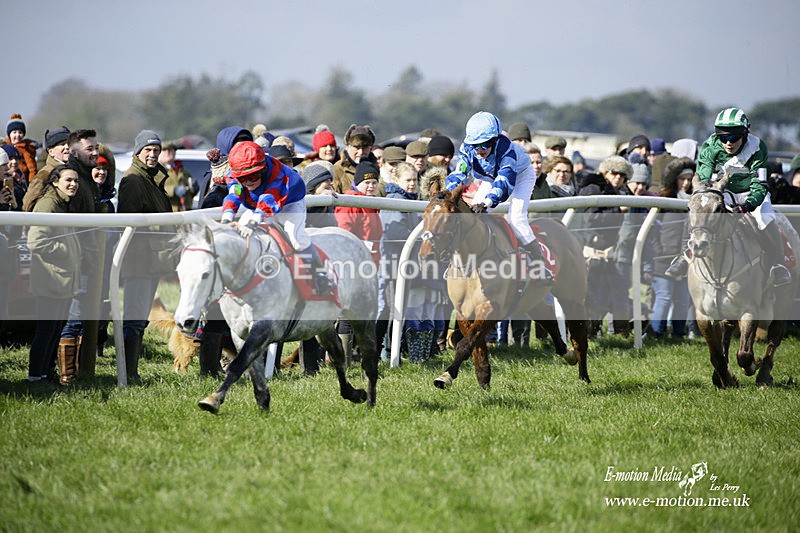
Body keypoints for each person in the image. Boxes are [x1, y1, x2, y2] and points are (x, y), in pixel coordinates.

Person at [665, 107, 791, 287]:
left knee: (765, 216)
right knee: (700, 208)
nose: (728, 143)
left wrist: (748, 205)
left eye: (733, 138)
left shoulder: (758, 147)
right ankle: (685, 256)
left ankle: (778, 265)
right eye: (723, 138)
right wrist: (706, 192)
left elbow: (760, 182)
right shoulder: (711, 145)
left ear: (745, 134)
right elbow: (704, 175)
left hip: (751, 192)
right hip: (723, 192)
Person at [445, 111, 553, 285]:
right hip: (490, 177)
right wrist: (448, 193)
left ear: (495, 140)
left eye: (485, 145)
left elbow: (504, 181)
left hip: (520, 176)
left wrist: (487, 202)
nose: (479, 150)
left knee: (516, 218)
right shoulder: (467, 148)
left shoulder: (506, 149)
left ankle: (540, 266)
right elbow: (460, 173)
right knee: (474, 216)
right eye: (475, 145)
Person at [220, 140, 334, 296]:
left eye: (253, 176)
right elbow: (234, 195)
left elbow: (269, 200)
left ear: (263, 169)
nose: (248, 182)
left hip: (289, 202)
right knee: (237, 234)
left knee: (295, 236)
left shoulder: (277, 175)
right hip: (258, 205)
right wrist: (226, 220)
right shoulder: (235, 178)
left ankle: (320, 274)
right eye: (243, 178)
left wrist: (253, 223)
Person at [118, 130, 178, 382]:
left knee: (139, 317)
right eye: (148, 150)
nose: (153, 154)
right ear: (138, 152)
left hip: (151, 258)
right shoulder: (133, 180)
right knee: (134, 318)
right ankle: (128, 373)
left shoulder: (152, 178)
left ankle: (132, 372)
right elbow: (129, 222)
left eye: (156, 150)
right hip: (138, 259)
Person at [26, 165, 82, 383]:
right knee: (46, 331)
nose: (73, 184)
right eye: (68, 180)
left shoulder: (61, 203)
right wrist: (66, 251)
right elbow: (35, 241)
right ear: (55, 182)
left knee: (55, 330)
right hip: (51, 279)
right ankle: (34, 377)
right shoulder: (48, 204)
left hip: (62, 279)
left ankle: (45, 374)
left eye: (76, 181)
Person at [334, 161, 383, 363]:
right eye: (366, 183)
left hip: (368, 266)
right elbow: (343, 232)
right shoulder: (351, 202)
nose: (371, 186)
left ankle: (359, 356)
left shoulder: (373, 204)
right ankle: (343, 359)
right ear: (356, 183)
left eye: (374, 182)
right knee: (348, 311)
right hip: (351, 266)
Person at [649, 157, 695, 339]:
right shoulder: (664, 200)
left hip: (687, 260)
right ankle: (655, 333)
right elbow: (651, 230)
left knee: (683, 300)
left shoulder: (696, 203)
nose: (686, 183)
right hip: (663, 260)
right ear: (674, 180)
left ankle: (679, 333)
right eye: (682, 179)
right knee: (664, 296)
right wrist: (659, 251)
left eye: (689, 180)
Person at [23, 126, 71, 212]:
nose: (67, 147)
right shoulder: (44, 174)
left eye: (69, 144)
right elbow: (28, 203)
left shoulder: (74, 171)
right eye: (62, 144)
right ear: (50, 151)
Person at [333, 124, 379, 194]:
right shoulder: (337, 170)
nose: (360, 152)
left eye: (365, 148)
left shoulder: (378, 167)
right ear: (347, 147)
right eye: (357, 148)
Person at [159, 142, 196, 211]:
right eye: (164, 150)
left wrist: (194, 189)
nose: (167, 153)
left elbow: (191, 193)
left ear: (174, 152)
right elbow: (156, 190)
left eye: (170, 150)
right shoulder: (156, 171)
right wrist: (174, 190)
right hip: (168, 213)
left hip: (186, 212)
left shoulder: (183, 171)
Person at [3, 113, 38, 182]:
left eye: (20, 132)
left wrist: (31, 182)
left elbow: (32, 168)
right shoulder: (4, 148)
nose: (17, 135)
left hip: (22, 180)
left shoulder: (25, 149)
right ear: (9, 134)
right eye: (14, 132)